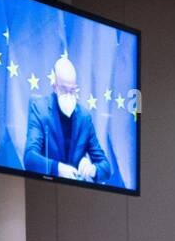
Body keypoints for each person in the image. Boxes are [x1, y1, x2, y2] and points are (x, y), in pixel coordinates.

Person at [23, 55, 111, 184]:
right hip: (44, 187)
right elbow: (29, 158)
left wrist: (92, 170)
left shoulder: (84, 118)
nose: (69, 95)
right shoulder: (39, 109)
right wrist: (58, 168)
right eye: (64, 90)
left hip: (75, 192)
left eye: (73, 90)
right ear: (55, 86)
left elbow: (106, 168)